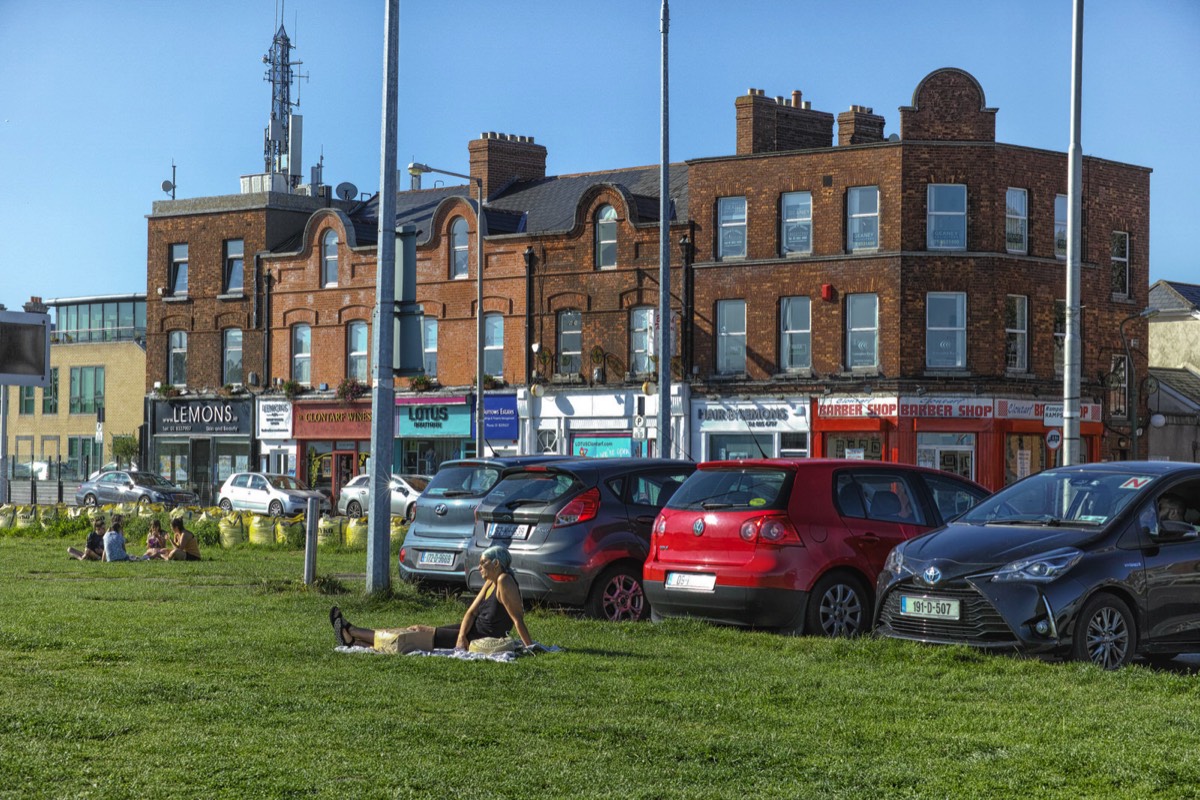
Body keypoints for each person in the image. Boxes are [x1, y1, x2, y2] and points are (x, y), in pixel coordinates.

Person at [330, 546, 533, 652]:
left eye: (483, 563)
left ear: (496, 564)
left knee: (416, 635)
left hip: (481, 638)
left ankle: (353, 633)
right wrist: (461, 635)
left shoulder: (504, 580)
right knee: (415, 631)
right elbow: (470, 612)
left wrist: (530, 647)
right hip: (471, 631)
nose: (479, 567)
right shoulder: (491, 581)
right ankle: (355, 641)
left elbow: (517, 619)